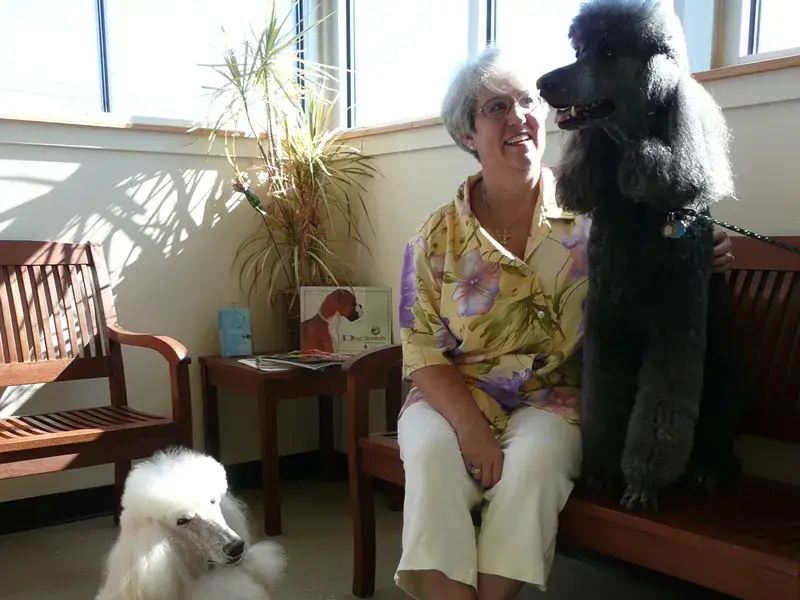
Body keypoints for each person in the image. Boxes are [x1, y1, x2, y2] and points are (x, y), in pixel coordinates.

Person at [395, 46, 734, 600]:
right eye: (496, 107)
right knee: (433, 459)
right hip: (455, 394)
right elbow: (420, 350)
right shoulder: (435, 236)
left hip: (558, 397)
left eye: (526, 101)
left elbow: (659, 239)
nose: (518, 116)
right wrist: (472, 429)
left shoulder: (593, 209)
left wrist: (700, 240)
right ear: (467, 136)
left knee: (534, 465)